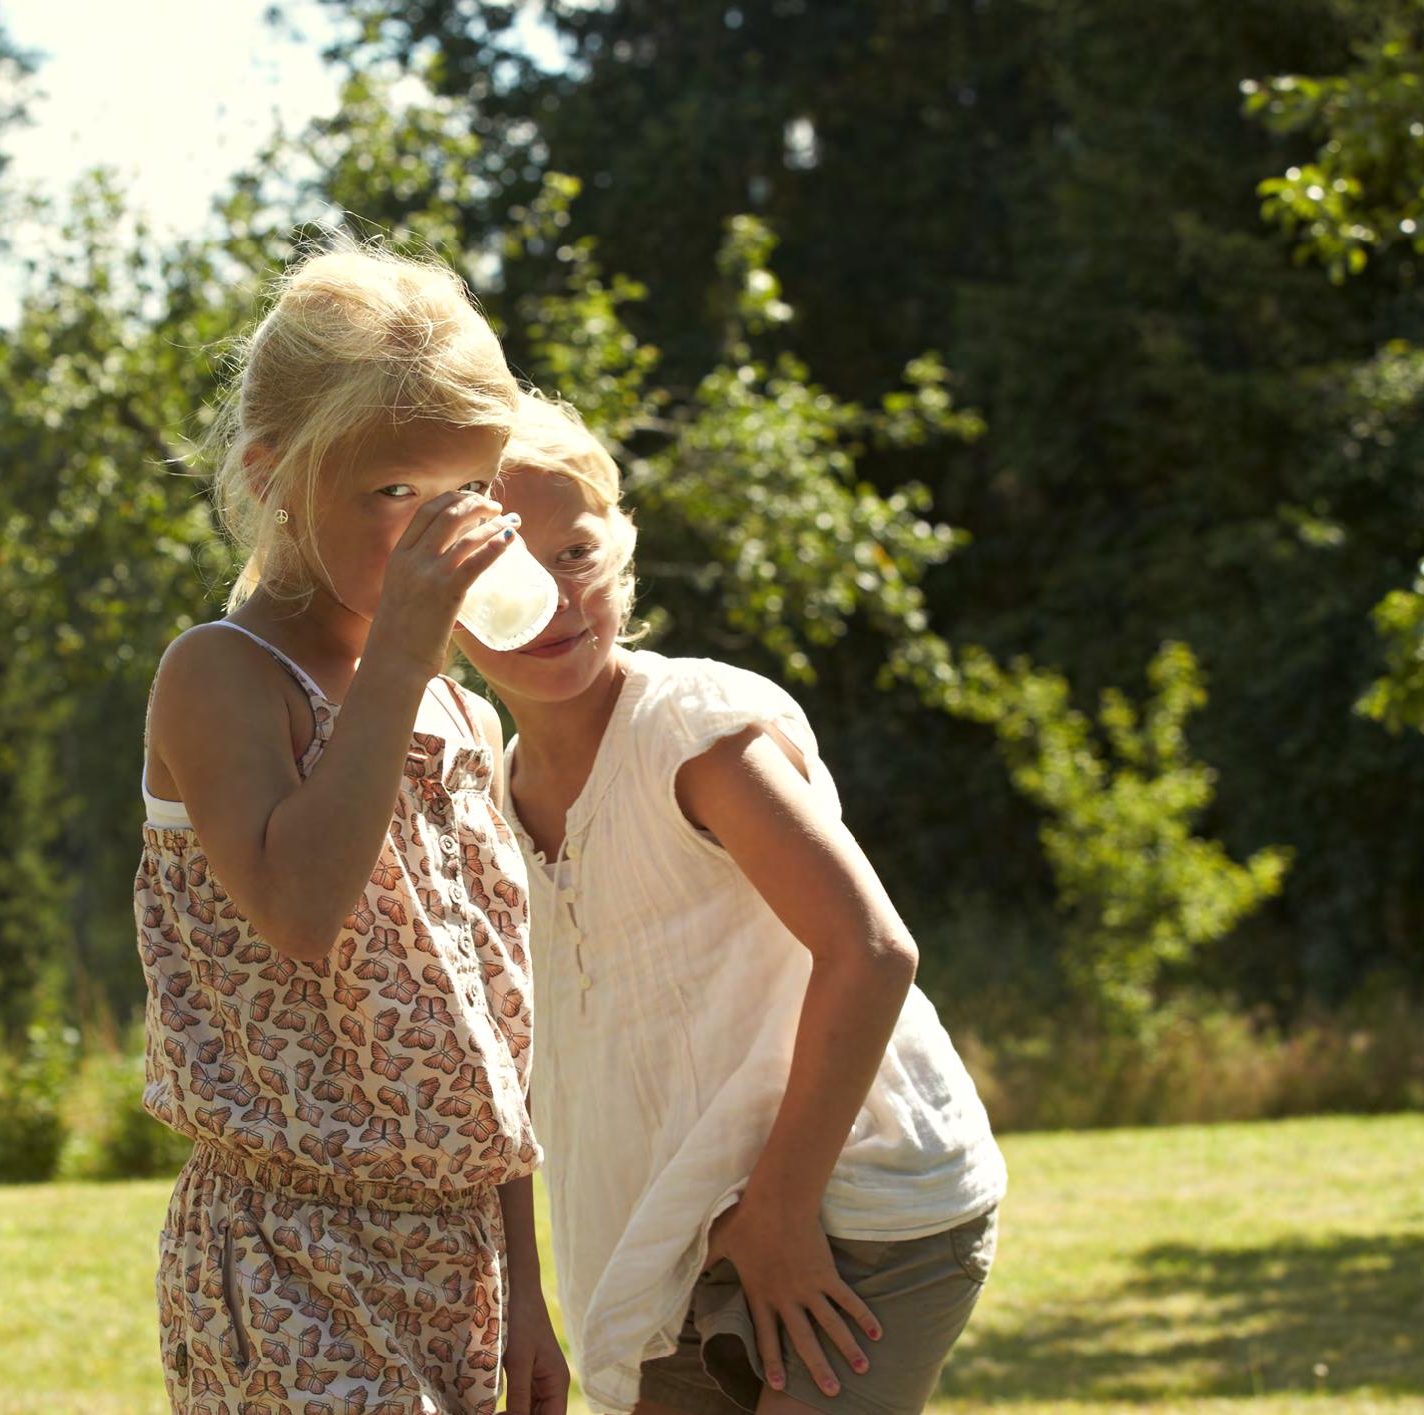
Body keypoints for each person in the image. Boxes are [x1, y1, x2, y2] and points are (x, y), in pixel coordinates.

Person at [456, 393, 1008, 1415]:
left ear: (619, 551)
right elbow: (504, 1074)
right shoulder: (480, 802)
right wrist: (518, 1295)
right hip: (664, 1246)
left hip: (860, 1204)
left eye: (575, 552)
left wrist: (785, 1211)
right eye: (501, 574)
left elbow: (872, 950)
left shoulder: (693, 733)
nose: (552, 598)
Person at [136, 242, 570, 1415]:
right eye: (395, 495)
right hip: (292, 1255)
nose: (440, 533)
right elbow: (300, 905)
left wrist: (525, 1285)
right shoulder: (226, 676)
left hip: (463, 1255)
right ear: (275, 474)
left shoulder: (460, 717)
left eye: (466, 494)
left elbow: (498, 1025)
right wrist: (403, 654)